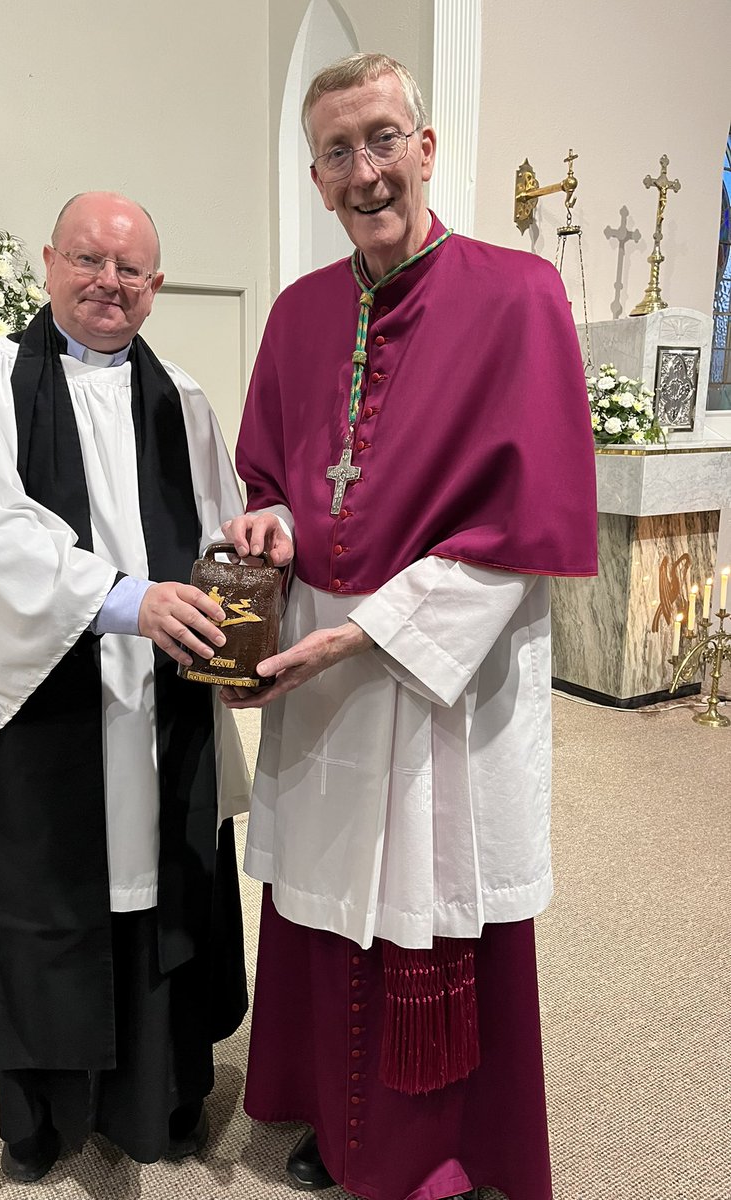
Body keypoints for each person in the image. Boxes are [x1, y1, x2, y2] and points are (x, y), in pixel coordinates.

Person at [221, 53, 598, 1200]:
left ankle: (437, 1148)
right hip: (326, 664)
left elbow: (532, 526)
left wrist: (375, 630)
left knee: (430, 912)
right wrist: (275, 529)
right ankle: (336, 1130)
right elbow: (270, 478)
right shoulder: (296, 314)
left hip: (443, 659)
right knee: (331, 900)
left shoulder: (519, 295)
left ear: (427, 147)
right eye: (338, 151)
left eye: (383, 137)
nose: (365, 169)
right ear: (318, 176)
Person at [0, 191, 250, 1182]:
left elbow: (223, 532)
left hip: (158, 710)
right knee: (47, 903)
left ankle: (155, 1100)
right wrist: (117, 598)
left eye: (132, 268)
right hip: (41, 702)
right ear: (49, 261)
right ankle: (46, 1114)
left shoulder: (181, 396)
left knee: (154, 892)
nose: (110, 283)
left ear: (156, 283)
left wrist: (244, 612)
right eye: (89, 261)